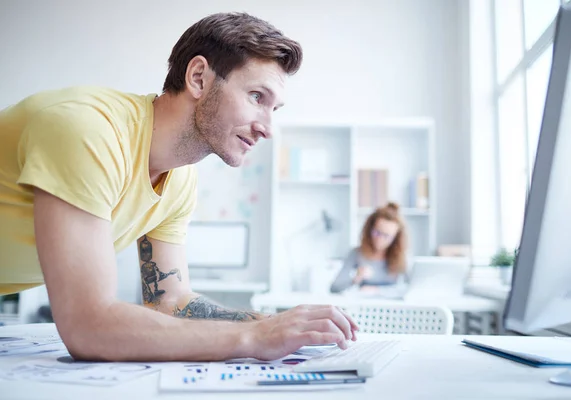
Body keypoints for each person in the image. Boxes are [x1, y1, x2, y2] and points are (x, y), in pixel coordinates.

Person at [0, 12, 358, 362]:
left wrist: (279, 326)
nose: (268, 127)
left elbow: (172, 303)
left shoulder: (180, 178)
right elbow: (88, 325)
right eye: (256, 97)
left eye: (274, 108)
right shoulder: (89, 131)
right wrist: (254, 337)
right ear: (199, 77)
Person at [330, 202, 409, 294]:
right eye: (377, 233)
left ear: (395, 238)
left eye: (386, 236)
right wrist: (356, 278)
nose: (380, 239)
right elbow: (334, 288)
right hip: (363, 305)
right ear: (369, 229)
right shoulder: (356, 253)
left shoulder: (402, 257)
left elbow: (409, 288)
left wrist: (377, 290)